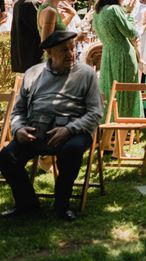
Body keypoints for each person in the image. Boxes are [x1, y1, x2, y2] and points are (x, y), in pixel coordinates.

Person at [0, 31, 102, 221]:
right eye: (64, 50)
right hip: (36, 129)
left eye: (72, 48)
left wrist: (69, 129)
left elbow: (95, 113)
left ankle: (62, 206)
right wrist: (18, 129)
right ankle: (27, 204)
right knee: (7, 157)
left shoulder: (86, 74)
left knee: (71, 151)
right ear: (49, 53)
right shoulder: (33, 73)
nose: (71, 53)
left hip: (73, 130)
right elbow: (18, 110)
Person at [92, 0, 143, 119]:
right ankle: (127, 125)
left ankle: (110, 121)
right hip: (123, 54)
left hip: (107, 54)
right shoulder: (115, 9)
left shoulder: (98, 11)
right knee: (126, 90)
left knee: (109, 90)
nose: (126, 0)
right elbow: (131, 32)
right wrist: (130, 14)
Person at [10, 0, 45, 73]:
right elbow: (41, 31)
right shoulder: (31, 3)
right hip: (33, 60)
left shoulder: (19, 2)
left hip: (23, 60)